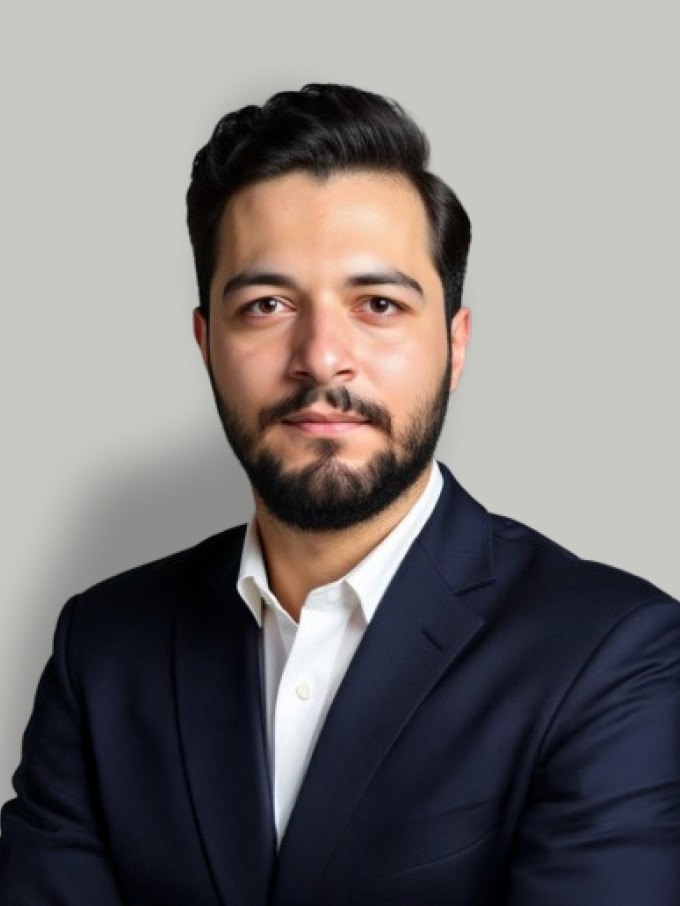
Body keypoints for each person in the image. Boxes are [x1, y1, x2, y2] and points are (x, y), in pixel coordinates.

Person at [1, 83, 679, 906]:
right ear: (207, 343)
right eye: (267, 305)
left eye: (379, 304)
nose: (322, 357)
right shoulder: (102, 650)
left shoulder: (614, 654)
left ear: (455, 346)